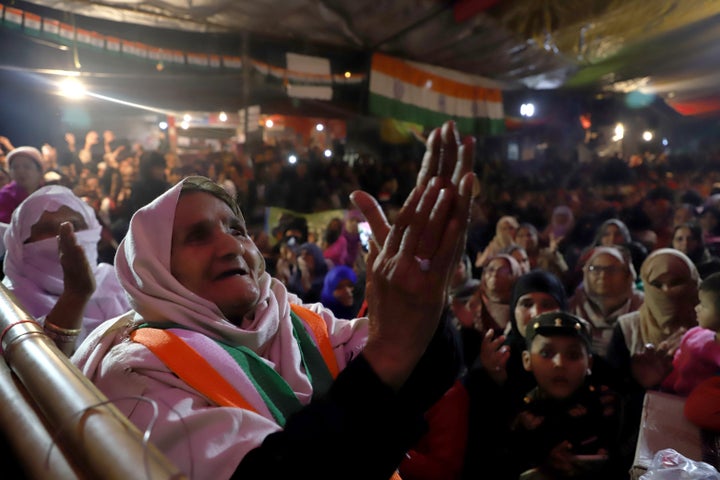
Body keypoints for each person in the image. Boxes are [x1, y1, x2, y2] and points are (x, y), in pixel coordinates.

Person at [72, 120, 475, 480]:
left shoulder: (299, 323)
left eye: (237, 228)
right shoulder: (138, 370)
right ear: (154, 271)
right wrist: (388, 354)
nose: (231, 244)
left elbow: (427, 376)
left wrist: (426, 310)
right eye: (198, 235)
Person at [3, 185, 131, 354]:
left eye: (75, 226)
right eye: (47, 229)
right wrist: (75, 296)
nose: (65, 236)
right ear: (19, 243)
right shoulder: (9, 305)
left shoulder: (117, 282)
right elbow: (40, 371)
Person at [509, 312, 622, 479]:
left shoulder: (605, 404)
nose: (560, 364)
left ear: (589, 363)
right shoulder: (520, 412)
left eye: (573, 355)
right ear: (527, 360)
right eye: (546, 354)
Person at [569, 246, 644, 358]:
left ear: (627, 274)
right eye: (595, 269)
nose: (603, 275)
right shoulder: (574, 305)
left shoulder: (643, 306)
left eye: (612, 270)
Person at [659, 272, 720, 395]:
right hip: (670, 394)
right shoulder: (696, 333)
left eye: (703, 305)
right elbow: (677, 363)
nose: (697, 308)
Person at [0, 146, 44, 222]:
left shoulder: (48, 193)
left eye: (27, 167)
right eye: (15, 167)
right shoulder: (5, 195)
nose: (20, 171)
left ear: (40, 172)